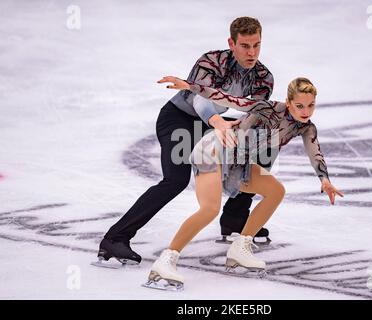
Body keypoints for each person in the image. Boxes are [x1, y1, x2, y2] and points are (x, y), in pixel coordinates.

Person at [93, 17, 275, 267]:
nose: (251, 52)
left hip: (210, 125)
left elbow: (255, 113)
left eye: (256, 45)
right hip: (178, 120)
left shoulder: (263, 76)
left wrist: (241, 129)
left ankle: (235, 218)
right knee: (175, 180)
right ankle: (115, 238)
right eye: (245, 45)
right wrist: (217, 122)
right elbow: (199, 99)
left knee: (263, 142)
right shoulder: (211, 62)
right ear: (231, 43)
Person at [144, 76, 344, 290]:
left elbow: (316, 153)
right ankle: (165, 261)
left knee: (276, 191)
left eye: (311, 105)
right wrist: (191, 86)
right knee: (210, 209)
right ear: (288, 102)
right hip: (213, 153)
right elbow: (230, 99)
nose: (306, 111)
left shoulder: (305, 128)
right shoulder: (267, 108)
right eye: (300, 106)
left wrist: (325, 180)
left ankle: (240, 247)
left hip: (239, 162)